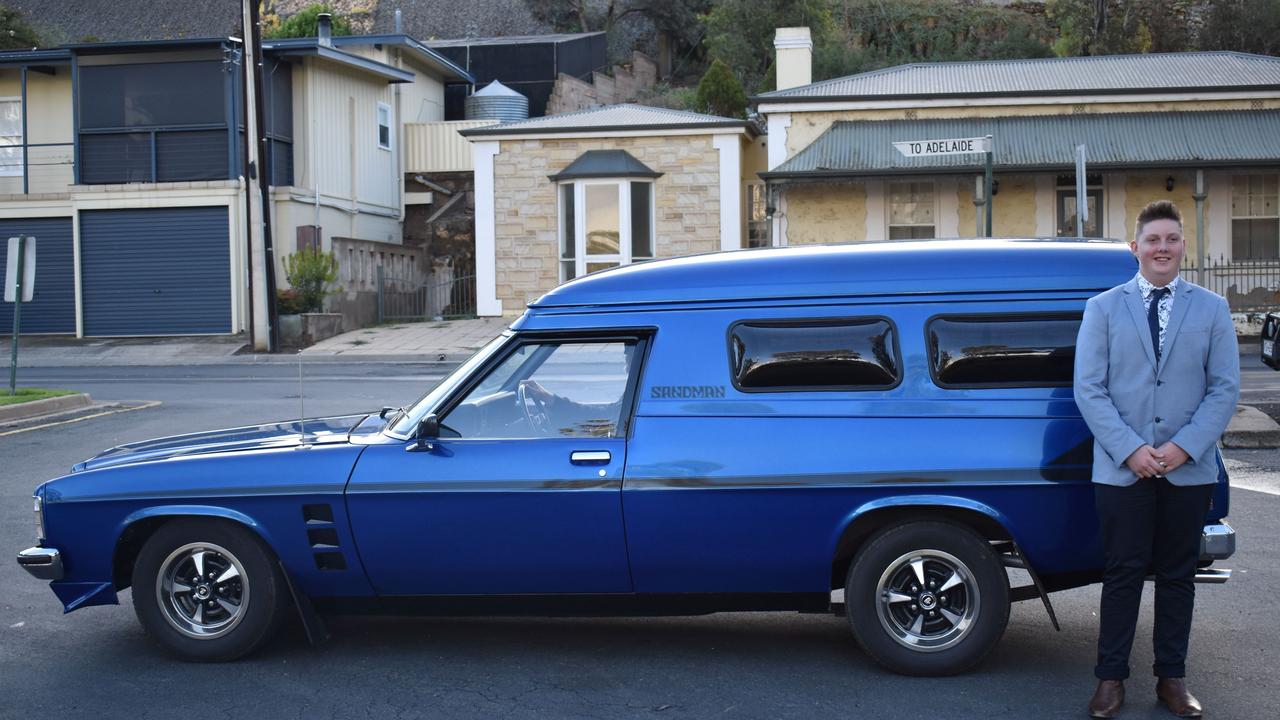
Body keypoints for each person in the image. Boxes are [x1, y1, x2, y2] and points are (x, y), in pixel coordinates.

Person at [1074, 200, 1239, 719]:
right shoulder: (1102, 308)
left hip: (1188, 468)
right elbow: (1089, 389)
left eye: (1171, 239)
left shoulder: (1212, 308)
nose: (1162, 248)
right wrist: (1132, 450)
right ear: (1136, 248)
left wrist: (1182, 447)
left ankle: (1172, 678)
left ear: (1183, 246)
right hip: (1122, 469)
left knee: (1177, 575)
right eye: (1152, 240)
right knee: (1121, 574)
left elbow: (1224, 389)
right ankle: (1109, 680)